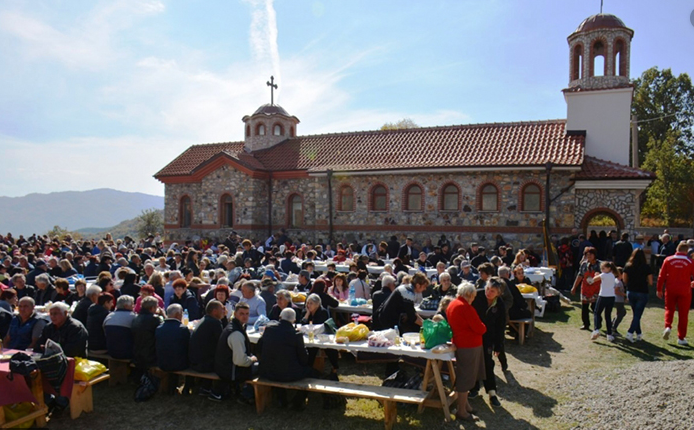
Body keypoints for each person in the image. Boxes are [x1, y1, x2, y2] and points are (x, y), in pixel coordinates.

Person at [257, 308, 313, 409]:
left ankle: (281, 397)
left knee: (280, 363)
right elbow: (304, 359)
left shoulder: (269, 329)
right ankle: (298, 400)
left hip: (267, 372)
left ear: (280, 317)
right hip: (288, 375)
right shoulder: (296, 335)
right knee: (312, 372)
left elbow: (259, 348)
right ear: (294, 320)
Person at [447, 282, 486, 421]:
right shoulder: (465, 308)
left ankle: (466, 406)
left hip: (461, 342)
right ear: (469, 295)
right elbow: (480, 328)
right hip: (469, 345)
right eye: (473, 296)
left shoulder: (452, 304)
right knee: (466, 378)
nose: (474, 299)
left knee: (465, 375)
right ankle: (462, 411)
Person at [470, 278, 506, 407]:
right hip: (473, 334)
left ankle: (492, 393)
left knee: (487, 363)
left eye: (492, 291)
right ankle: (473, 388)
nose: (488, 292)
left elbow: (501, 326)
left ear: (498, 293)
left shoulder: (500, 304)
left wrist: (499, 345)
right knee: (473, 362)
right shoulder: (476, 296)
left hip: (489, 337)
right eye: (487, 289)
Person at [213, 302, 258, 403]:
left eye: (247, 314)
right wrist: (252, 359)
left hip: (223, 367)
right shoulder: (236, 333)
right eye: (241, 314)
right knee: (261, 367)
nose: (245, 316)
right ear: (235, 314)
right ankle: (246, 395)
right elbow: (240, 361)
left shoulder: (233, 326)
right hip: (230, 372)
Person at [657, 242, 694, 345]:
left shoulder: (668, 259)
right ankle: (681, 337)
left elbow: (661, 276)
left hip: (670, 288)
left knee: (669, 309)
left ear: (677, 249)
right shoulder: (690, 261)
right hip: (685, 290)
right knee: (683, 314)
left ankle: (668, 326)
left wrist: (659, 289)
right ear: (686, 251)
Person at [189, 300, 225, 396]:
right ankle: (217, 390)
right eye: (222, 309)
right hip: (204, 365)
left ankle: (205, 386)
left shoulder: (204, 319)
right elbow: (222, 344)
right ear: (214, 311)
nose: (224, 311)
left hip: (194, 362)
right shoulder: (215, 323)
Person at [622, 249, 652, 343]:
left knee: (636, 314)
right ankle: (630, 332)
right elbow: (651, 282)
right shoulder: (646, 267)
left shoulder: (628, 266)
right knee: (638, 315)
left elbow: (624, 280)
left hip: (631, 291)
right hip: (642, 291)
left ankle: (639, 334)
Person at [587, 261, 619, 342]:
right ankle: (609, 334)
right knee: (608, 315)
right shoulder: (612, 275)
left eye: (603, 268)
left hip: (603, 296)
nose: (602, 270)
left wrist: (594, 275)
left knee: (597, 313)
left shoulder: (603, 275)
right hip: (611, 297)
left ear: (609, 268)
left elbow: (591, 281)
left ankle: (596, 329)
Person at [571, 247, 601, 331]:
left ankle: (598, 323)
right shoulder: (584, 264)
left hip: (596, 288)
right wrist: (574, 287)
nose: (589, 256)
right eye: (587, 255)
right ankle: (586, 324)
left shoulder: (600, 264)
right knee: (584, 307)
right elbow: (580, 275)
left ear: (594, 255)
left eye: (591, 254)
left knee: (595, 307)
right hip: (585, 287)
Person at [155, 304, 191, 372]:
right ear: (178, 314)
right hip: (179, 365)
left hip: (162, 364)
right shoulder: (182, 329)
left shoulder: (159, 328)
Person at [131, 296, 163, 370]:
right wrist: (163, 315)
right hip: (150, 357)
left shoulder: (136, 318)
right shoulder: (155, 319)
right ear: (152, 308)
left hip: (136, 355)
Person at [103, 295, 137, 359]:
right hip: (128, 353)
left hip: (111, 352)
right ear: (126, 306)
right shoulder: (133, 317)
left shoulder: (109, 316)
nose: (133, 307)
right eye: (132, 305)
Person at [611, 268, 627, 336]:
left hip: (618, 300)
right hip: (618, 300)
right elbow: (616, 291)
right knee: (621, 313)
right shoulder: (618, 282)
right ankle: (613, 328)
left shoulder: (617, 281)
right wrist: (625, 295)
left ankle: (612, 324)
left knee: (621, 313)